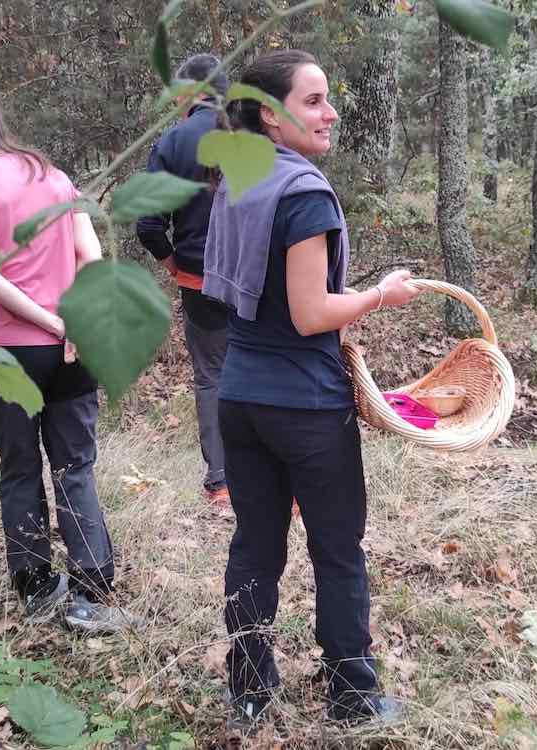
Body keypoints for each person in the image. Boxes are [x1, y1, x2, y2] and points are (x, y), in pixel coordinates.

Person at [202, 50, 421, 723]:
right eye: (313, 100)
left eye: (329, 99)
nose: (329, 114)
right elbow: (309, 313)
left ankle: (247, 687)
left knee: (255, 543)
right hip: (305, 403)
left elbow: (241, 299)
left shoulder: (239, 179)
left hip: (239, 396)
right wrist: (378, 297)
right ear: (271, 115)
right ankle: (353, 697)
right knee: (336, 550)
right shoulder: (304, 194)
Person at [0, 80, 137, 633]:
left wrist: (47, 321)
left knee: (19, 470)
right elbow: (91, 252)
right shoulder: (52, 174)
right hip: (73, 350)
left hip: (6, 351)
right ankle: (91, 596)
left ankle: (37, 589)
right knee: (75, 469)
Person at [136, 54, 231, 507]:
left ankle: (222, 480)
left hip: (201, 284)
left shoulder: (174, 141)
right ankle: (276, 477)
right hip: (260, 284)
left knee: (212, 376)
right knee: (266, 367)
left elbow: (148, 223)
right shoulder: (258, 133)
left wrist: (175, 267)